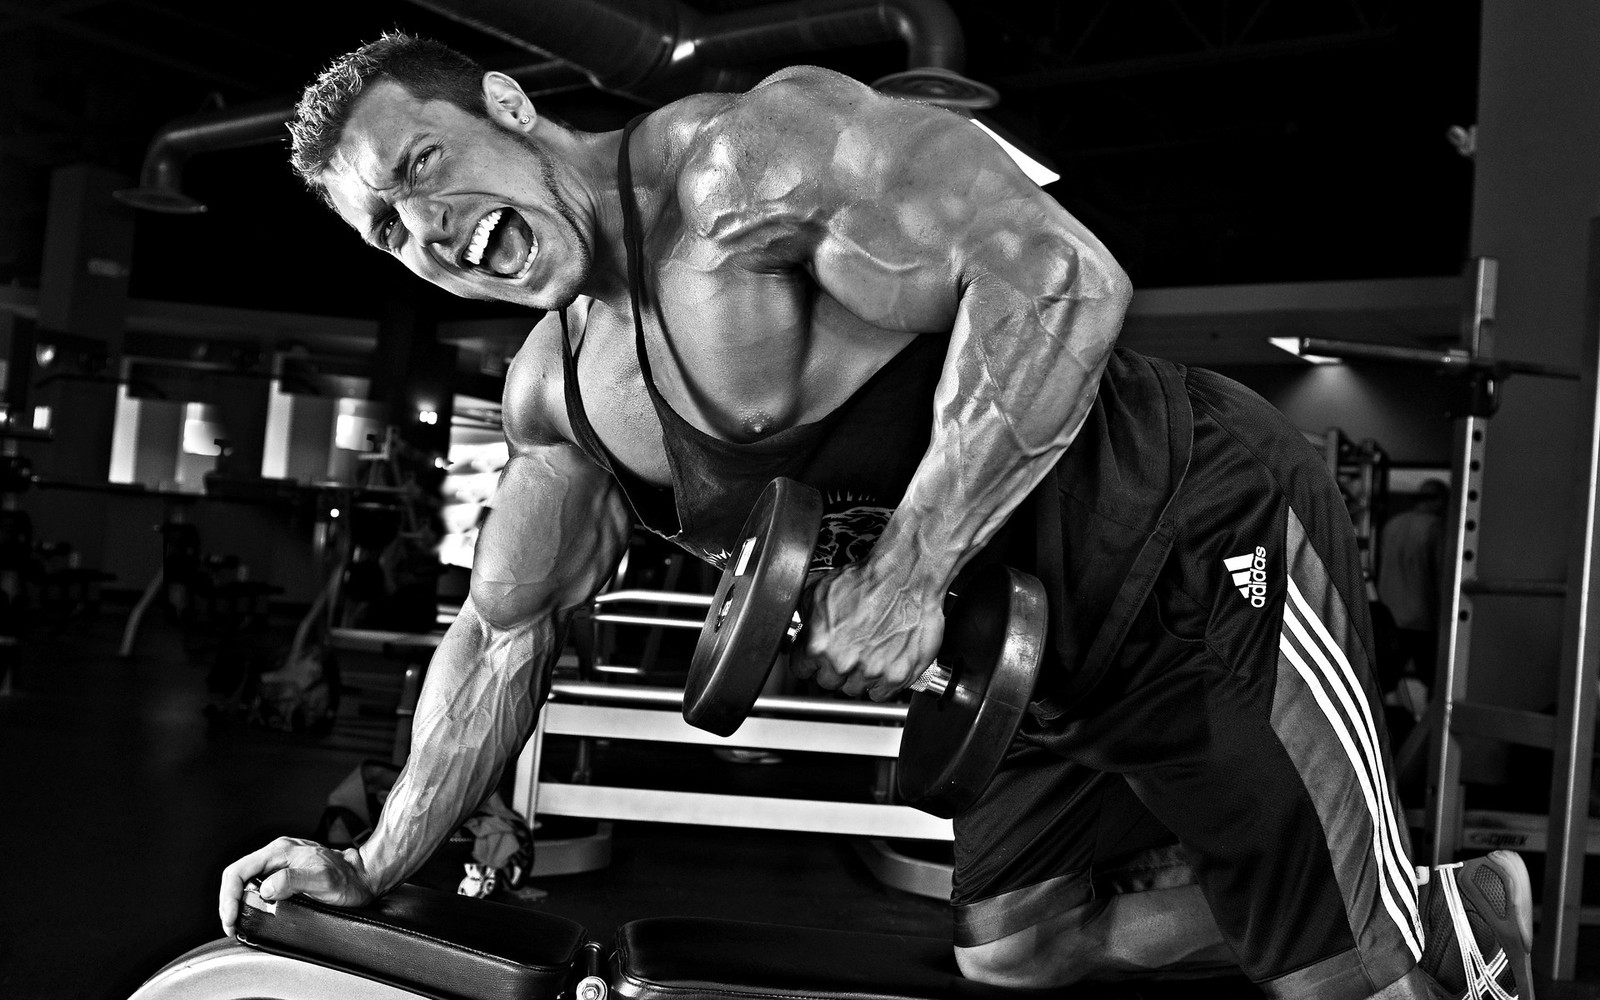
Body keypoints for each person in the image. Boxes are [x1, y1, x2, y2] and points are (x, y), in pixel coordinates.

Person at [219, 33, 1535, 1000]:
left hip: (1195, 540)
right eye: (388, 227)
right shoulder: (560, 391)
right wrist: (378, 856)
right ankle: (1371, 884)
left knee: (1347, 986)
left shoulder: (746, 166)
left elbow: (1058, 276)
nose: (431, 230)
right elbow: (504, 634)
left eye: (428, 164)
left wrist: (911, 567)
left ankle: (1382, 918)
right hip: (1029, 668)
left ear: (509, 104)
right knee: (1022, 951)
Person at [1378, 478, 1450, 688]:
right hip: (1420, 618)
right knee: (1434, 682)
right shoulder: (1434, 527)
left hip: (1390, 615)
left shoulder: (1392, 524)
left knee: (1384, 682)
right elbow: (1441, 575)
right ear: (1437, 501)